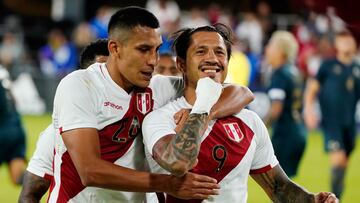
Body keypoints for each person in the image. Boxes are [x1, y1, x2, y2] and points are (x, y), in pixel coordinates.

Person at [47, 7, 253, 203]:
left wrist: (205, 112)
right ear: (115, 48)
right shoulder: (80, 85)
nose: (153, 60)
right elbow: (90, 170)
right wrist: (167, 184)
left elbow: (239, 91)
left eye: (156, 49)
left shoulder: (157, 87)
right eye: (143, 49)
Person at [142, 23, 339, 203]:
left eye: (220, 52)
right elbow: (178, 162)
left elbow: (279, 187)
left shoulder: (249, 121)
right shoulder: (159, 119)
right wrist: (203, 103)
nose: (212, 58)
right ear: (182, 65)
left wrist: (312, 200)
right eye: (200, 51)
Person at [18, 38, 110, 203]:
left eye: (111, 73)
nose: (106, 79)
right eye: (99, 71)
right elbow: (29, 194)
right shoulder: (55, 133)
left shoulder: (138, 123)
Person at [304, 30, 360, 200]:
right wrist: (309, 110)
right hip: (331, 123)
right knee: (338, 161)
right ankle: (334, 199)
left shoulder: (357, 69)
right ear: (336, 44)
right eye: (342, 40)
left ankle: (336, 198)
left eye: (348, 40)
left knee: (343, 163)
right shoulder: (327, 66)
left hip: (349, 124)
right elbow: (312, 90)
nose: (345, 44)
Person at [264, 31, 306, 178]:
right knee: (287, 188)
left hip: (285, 135)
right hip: (300, 133)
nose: (266, 49)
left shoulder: (279, 74)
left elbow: (276, 109)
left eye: (270, 46)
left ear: (280, 52)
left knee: (279, 189)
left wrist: (260, 129)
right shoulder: (295, 73)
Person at [0, 64, 27, 185]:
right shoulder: (3, 73)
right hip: (17, 130)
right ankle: (46, 176)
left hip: (2, 133)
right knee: (18, 179)